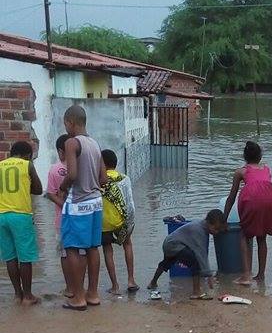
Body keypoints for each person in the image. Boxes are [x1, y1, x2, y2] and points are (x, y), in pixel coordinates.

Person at [60, 104, 107, 311]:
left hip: (77, 203)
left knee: (71, 248)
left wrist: (62, 187)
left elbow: (71, 175)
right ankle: (93, 294)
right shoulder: (94, 144)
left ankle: (78, 298)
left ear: (70, 122)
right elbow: (103, 178)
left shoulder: (72, 143)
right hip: (96, 203)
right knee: (92, 248)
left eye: (65, 124)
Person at [223, 140, 272, 285]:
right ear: (260, 156)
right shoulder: (266, 169)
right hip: (270, 199)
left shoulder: (241, 171)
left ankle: (246, 275)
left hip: (252, 199)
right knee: (262, 237)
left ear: (244, 157)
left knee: (244, 235)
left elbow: (231, 197)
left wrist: (224, 218)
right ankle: (261, 275)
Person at [147, 209, 227, 299]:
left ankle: (153, 283)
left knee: (166, 263)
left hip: (169, 243)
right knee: (195, 261)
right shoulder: (199, 231)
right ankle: (196, 292)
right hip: (174, 245)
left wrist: (207, 273)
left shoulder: (201, 225)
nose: (217, 232)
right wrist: (209, 275)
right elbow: (201, 254)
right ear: (208, 223)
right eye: (216, 229)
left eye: (219, 230)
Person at [0, 140, 42, 305]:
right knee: (25, 257)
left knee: (10, 257)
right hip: (21, 215)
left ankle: (17, 295)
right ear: (28, 155)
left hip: (1, 215)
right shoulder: (27, 165)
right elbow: (38, 189)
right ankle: (28, 296)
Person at [100, 149, 138, 294]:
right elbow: (130, 203)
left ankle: (115, 286)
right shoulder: (124, 179)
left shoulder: (99, 180)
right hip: (122, 221)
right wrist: (130, 223)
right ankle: (130, 280)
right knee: (127, 244)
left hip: (104, 223)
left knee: (107, 250)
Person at [45, 133, 71, 295]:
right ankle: (80, 287)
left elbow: (50, 194)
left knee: (65, 254)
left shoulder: (54, 169)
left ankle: (69, 288)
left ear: (60, 151)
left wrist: (65, 206)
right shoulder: (82, 167)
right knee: (82, 252)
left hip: (62, 220)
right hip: (82, 218)